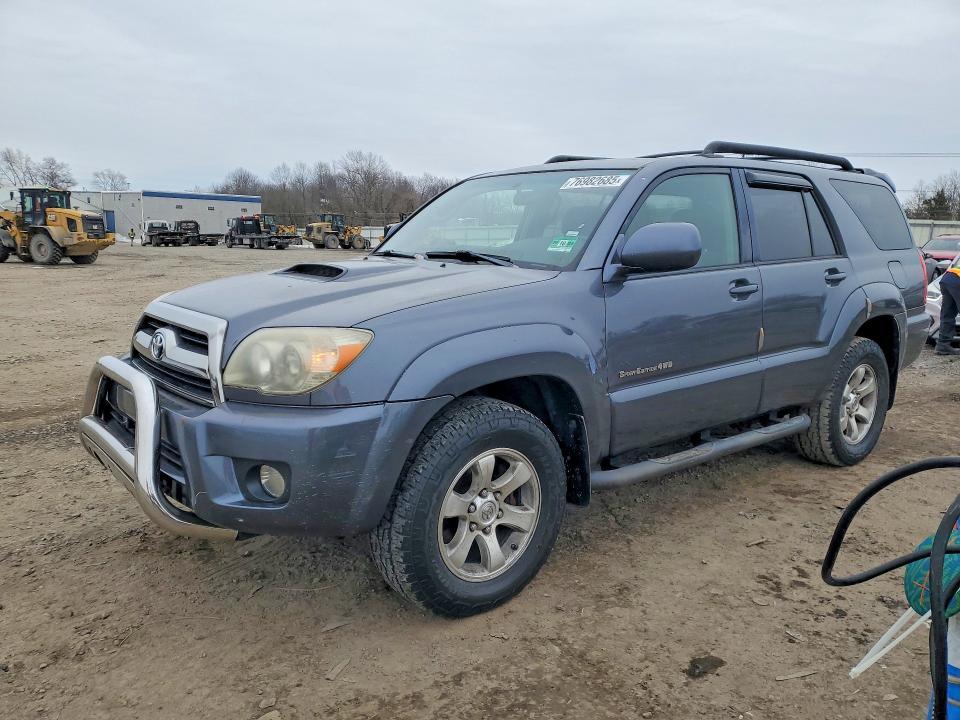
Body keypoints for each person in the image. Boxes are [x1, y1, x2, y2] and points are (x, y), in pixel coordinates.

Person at [938, 259, 960, 356]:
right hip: (957, 280)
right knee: (948, 314)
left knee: (948, 313)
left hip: (947, 278)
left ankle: (943, 345)